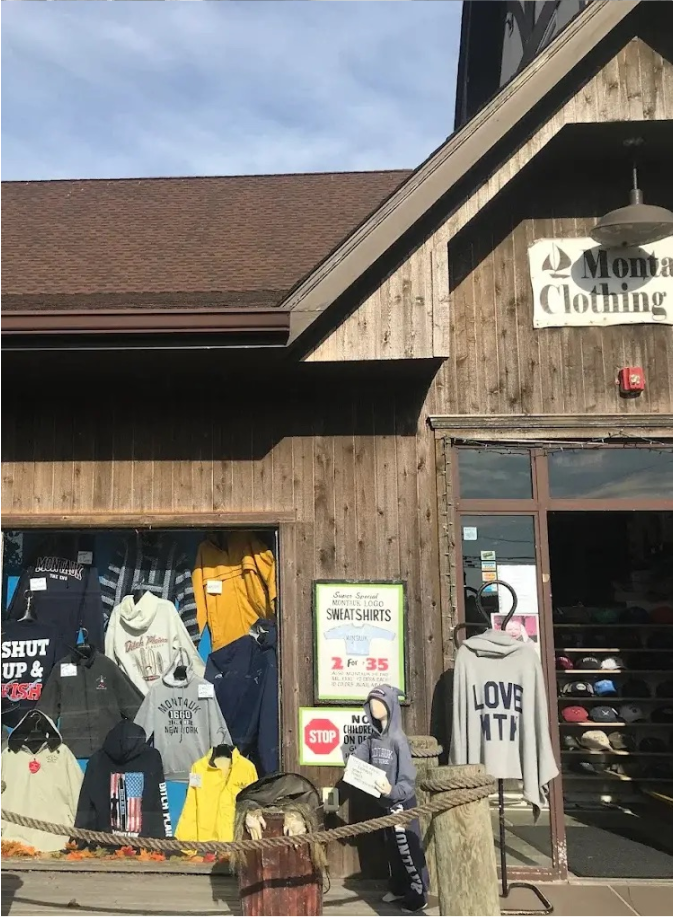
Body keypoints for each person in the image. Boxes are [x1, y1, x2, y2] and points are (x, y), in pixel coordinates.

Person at [348, 685, 428, 914]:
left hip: (401, 806)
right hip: (384, 806)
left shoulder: (398, 740)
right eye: (370, 702)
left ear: (391, 706)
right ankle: (400, 888)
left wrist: (392, 790)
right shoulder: (373, 738)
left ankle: (418, 895)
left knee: (408, 852)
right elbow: (357, 758)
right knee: (392, 850)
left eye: (380, 703)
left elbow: (407, 781)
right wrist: (354, 768)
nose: (374, 707)